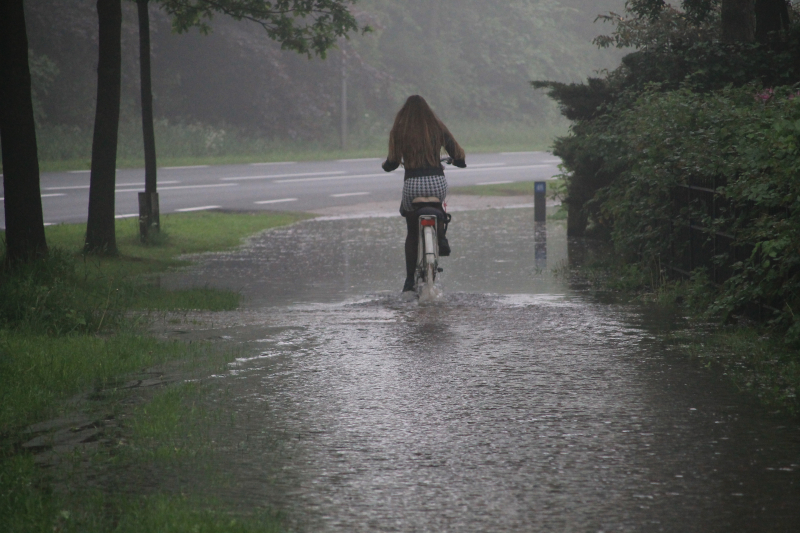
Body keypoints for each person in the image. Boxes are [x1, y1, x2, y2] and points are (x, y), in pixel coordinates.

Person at [381, 95, 466, 292]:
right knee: (438, 206)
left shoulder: (399, 130)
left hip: (412, 186)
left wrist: (386, 166)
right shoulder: (437, 126)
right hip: (437, 183)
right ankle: (441, 236)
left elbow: (392, 162)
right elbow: (458, 154)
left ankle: (409, 280)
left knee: (412, 232)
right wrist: (459, 162)